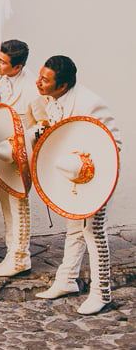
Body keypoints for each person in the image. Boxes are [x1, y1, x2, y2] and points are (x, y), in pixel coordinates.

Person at [30, 55, 122, 315]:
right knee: (74, 228)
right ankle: (66, 280)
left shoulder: (90, 104)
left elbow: (112, 145)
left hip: (97, 178)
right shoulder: (52, 99)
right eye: (40, 76)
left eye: (45, 80)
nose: (38, 82)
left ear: (63, 86)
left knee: (95, 232)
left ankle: (101, 292)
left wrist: (91, 176)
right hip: (72, 174)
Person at [0, 39, 38, 277]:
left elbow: (41, 124)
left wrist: (22, 145)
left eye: (3, 62)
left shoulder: (33, 89)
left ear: (17, 67)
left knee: (19, 204)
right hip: (0, 153)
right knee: (5, 203)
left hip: (19, 154)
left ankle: (20, 257)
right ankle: (10, 252)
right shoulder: (1, 79)